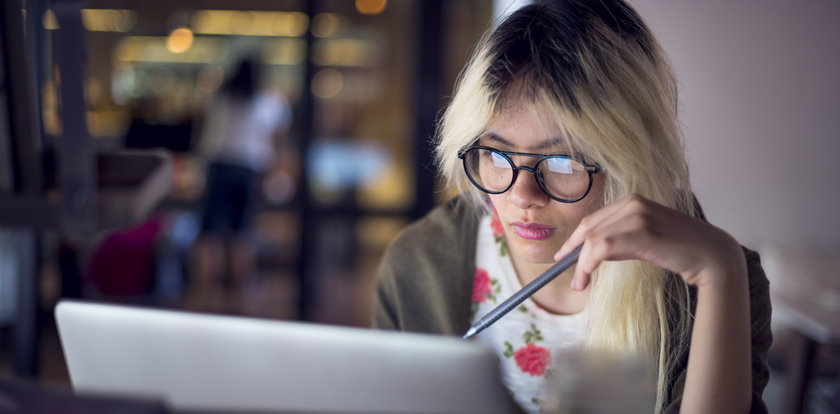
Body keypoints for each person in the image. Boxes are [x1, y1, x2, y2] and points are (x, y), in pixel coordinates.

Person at [372, 1, 771, 413]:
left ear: (629, 160)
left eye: (563, 161)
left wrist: (720, 268)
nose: (523, 195)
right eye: (496, 154)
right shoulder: (417, 263)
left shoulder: (717, 284)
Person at [192, 57, 292, 310]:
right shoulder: (270, 101)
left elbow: (202, 133)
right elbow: (277, 141)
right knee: (243, 233)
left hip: (217, 165)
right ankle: (239, 295)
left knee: (210, 233)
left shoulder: (219, 98)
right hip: (248, 169)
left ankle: (206, 294)